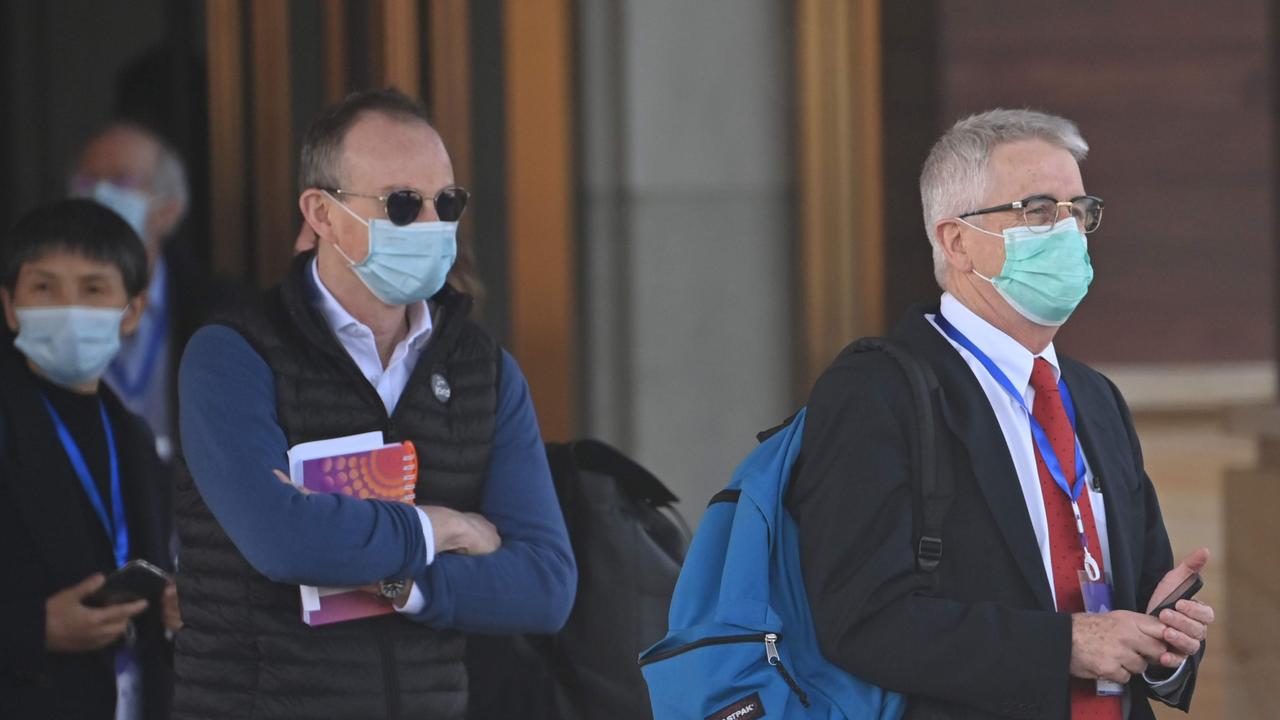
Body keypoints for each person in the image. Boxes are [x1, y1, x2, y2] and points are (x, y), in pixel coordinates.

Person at [787, 109, 1214, 719]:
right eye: (1038, 210)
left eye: (1078, 211)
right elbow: (862, 618)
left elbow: (1131, 613)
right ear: (957, 242)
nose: (1067, 232)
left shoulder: (1096, 399)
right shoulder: (876, 392)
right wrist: (1064, 644)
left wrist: (1165, 642)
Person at [174, 87, 577, 719]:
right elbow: (281, 540)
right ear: (323, 214)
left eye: (446, 203)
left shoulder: (482, 370)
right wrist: (439, 527)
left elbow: (546, 586)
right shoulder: (233, 354)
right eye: (399, 204)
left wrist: (404, 585)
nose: (430, 224)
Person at [0, 199, 181, 720]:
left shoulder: (136, 436)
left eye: (94, 289)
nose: (68, 308)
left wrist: (169, 614)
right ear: (10, 307)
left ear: (134, 311)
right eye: (44, 288)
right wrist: (33, 630)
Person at [71, 122, 219, 460]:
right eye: (87, 182)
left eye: (121, 181)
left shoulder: (222, 309)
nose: (100, 195)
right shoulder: (40, 309)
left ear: (169, 210)